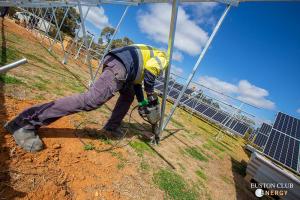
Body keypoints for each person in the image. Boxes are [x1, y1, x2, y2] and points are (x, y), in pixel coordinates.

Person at [4, 44, 168, 152]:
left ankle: (110, 128)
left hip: (122, 64)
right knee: (91, 100)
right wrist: (152, 95)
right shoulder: (164, 58)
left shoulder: (149, 53)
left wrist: (144, 102)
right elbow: (151, 70)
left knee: (128, 95)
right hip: (122, 66)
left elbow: (137, 83)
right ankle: (24, 123)